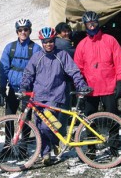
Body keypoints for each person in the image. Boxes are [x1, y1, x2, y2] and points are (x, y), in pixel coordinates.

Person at [20, 27, 90, 165]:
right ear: (42, 42)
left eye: (51, 41)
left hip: (56, 96)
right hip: (39, 96)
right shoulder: (37, 57)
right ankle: (45, 154)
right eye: (45, 42)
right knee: (40, 126)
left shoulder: (62, 55)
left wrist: (80, 84)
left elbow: (74, 71)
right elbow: (28, 74)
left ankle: (56, 142)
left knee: (47, 125)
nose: (48, 44)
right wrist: (23, 87)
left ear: (54, 41)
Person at [74, 11, 121, 116]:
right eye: (89, 24)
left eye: (94, 23)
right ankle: (91, 133)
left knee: (113, 118)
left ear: (98, 23)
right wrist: (79, 85)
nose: (92, 26)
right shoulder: (82, 45)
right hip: (90, 89)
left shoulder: (110, 40)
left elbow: (119, 63)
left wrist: (120, 81)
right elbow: (78, 68)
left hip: (109, 88)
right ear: (85, 25)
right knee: (89, 118)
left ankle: (114, 133)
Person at [0, 18, 41, 114]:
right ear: (17, 32)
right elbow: (3, 69)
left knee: (26, 119)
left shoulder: (36, 49)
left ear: (29, 31)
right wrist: (2, 88)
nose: (23, 32)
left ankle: (25, 130)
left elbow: (40, 70)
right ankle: (9, 130)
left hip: (28, 89)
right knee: (8, 116)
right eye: (20, 30)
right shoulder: (10, 47)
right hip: (13, 88)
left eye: (25, 29)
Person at [54, 22, 75, 136]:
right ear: (59, 33)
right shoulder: (64, 44)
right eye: (64, 31)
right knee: (65, 109)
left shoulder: (54, 43)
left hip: (56, 80)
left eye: (68, 31)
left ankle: (57, 134)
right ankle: (61, 134)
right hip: (65, 80)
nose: (67, 33)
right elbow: (74, 52)